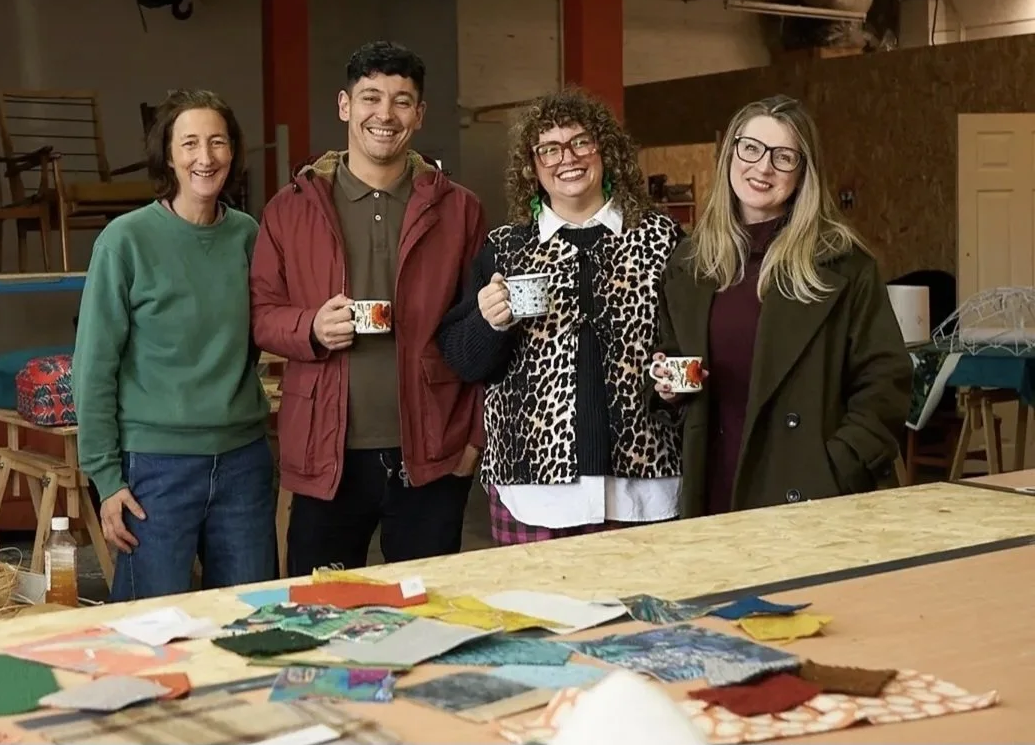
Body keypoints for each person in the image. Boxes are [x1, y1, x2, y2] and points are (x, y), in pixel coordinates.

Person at [251, 41, 486, 575]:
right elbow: (261, 312)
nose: (385, 114)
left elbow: (483, 332)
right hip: (324, 454)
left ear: (419, 115)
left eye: (402, 101)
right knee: (322, 617)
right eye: (370, 97)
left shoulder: (459, 209)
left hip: (432, 454)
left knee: (431, 615)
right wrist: (309, 325)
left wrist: (474, 441)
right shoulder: (291, 208)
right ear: (344, 105)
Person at [438, 88, 683, 544]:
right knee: (541, 615)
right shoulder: (506, 247)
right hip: (534, 488)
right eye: (548, 148)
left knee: (651, 616)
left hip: (644, 482)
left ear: (604, 151)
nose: (565, 158)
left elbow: (690, 342)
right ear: (532, 167)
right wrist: (490, 323)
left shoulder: (663, 239)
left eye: (580, 142)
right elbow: (464, 361)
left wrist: (674, 378)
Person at [655, 94, 910, 518]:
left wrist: (834, 469)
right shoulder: (690, 264)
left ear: (803, 171)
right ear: (730, 153)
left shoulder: (842, 264)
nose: (763, 167)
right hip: (714, 491)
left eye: (784, 156)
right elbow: (675, 358)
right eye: (751, 148)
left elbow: (886, 382)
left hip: (810, 495)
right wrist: (669, 387)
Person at [72, 89, 274, 601]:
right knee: (148, 632)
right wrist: (106, 477)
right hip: (155, 469)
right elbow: (94, 365)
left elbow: (253, 338)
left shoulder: (249, 235)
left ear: (233, 152)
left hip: (243, 461)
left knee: (251, 624)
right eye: (189, 144)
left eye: (217, 143)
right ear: (168, 155)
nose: (204, 158)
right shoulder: (126, 240)